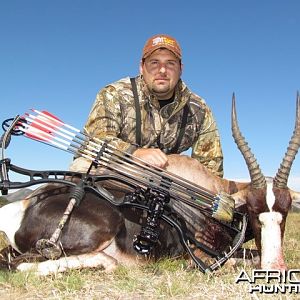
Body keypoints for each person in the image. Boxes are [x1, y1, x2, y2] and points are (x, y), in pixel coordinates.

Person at [70, 34, 223, 177]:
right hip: (120, 171)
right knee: (83, 165)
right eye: (154, 62)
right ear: (141, 67)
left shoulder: (198, 109)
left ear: (180, 68)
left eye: (170, 63)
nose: (162, 70)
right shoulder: (114, 94)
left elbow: (210, 167)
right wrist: (134, 153)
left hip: (168, 181)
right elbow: (93, 143)